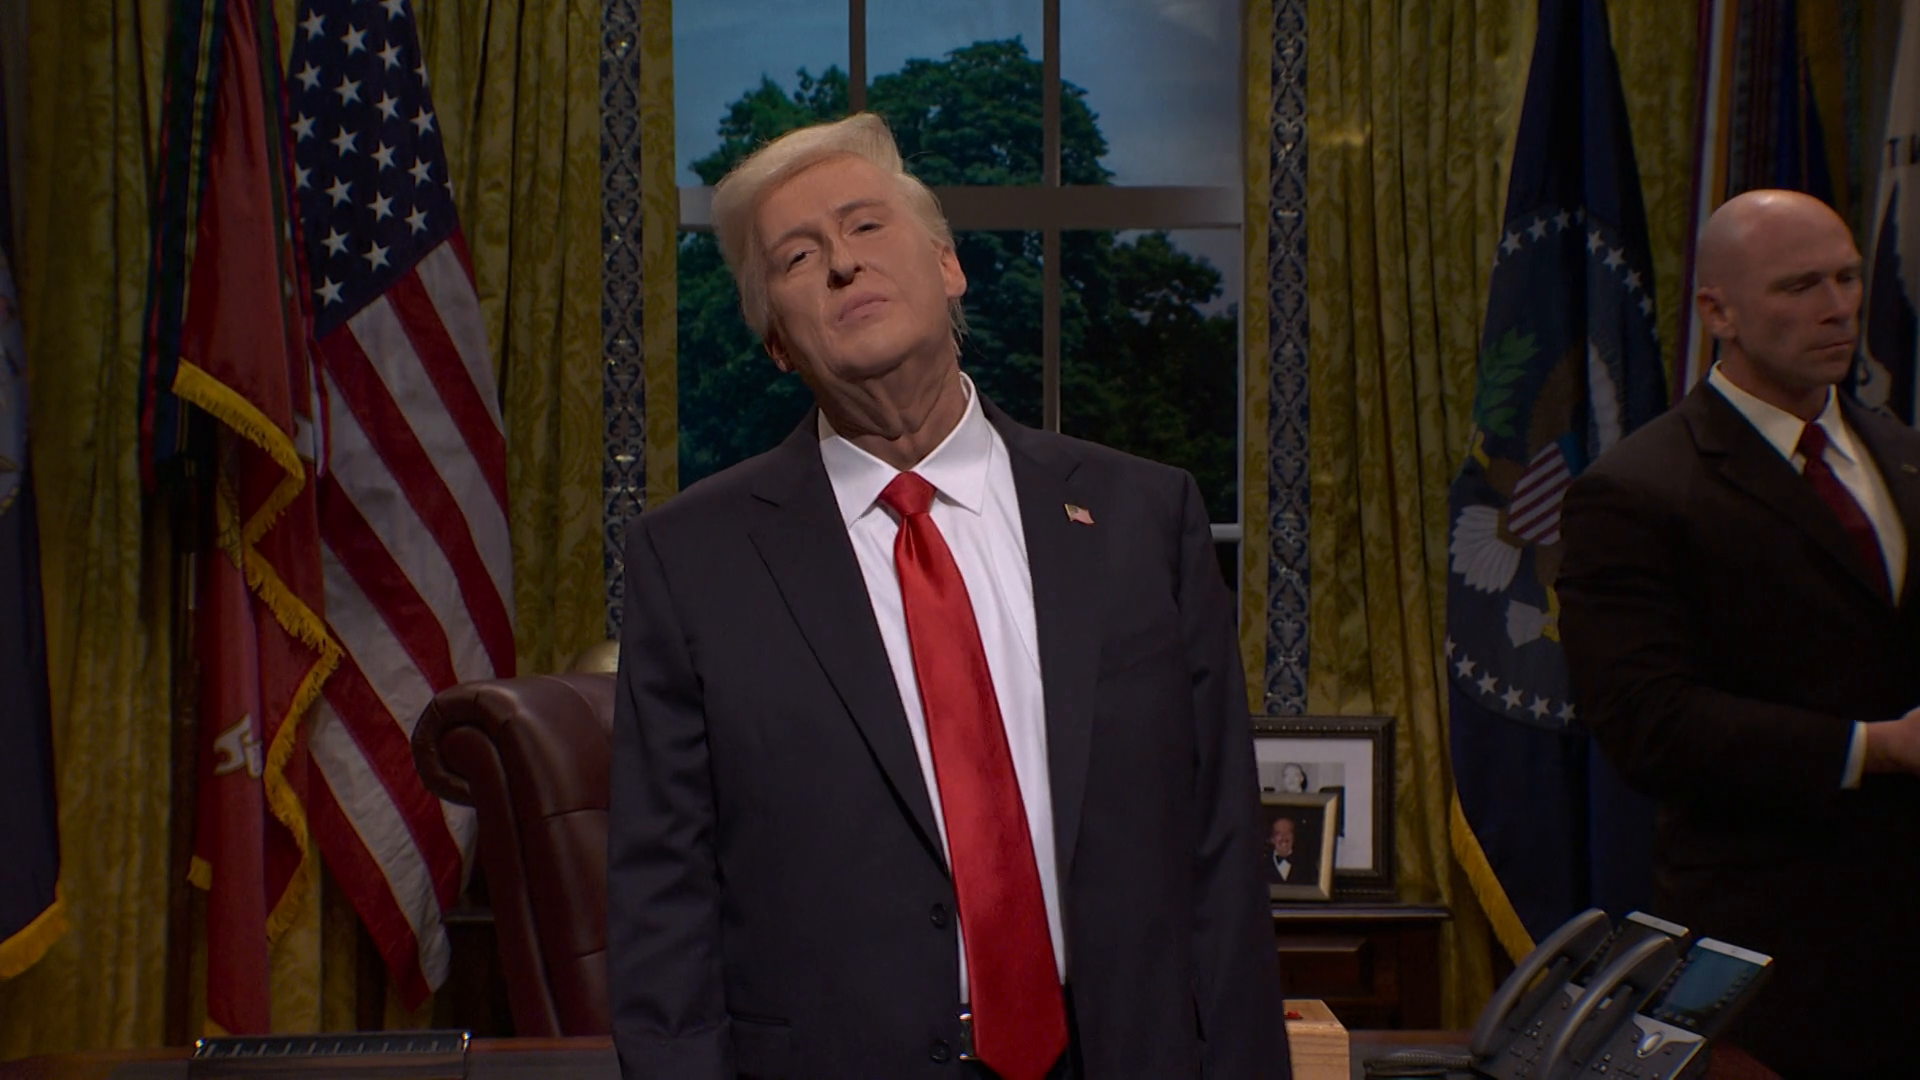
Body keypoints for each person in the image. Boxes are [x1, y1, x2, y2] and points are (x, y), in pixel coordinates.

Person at [607, 113, 1287, 1080]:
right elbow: (662, 907)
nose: (843, 263)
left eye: (865, 225)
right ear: (776, 345)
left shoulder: (1143, 515)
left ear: (948, 265)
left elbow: (1221, 852)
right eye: (798, 256)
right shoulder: (692, 563)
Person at [1558, 188, 1920, 1077]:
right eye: (1800, 286)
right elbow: (1647, 722)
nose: (1838, 308)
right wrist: (1874, 748)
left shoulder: (1906, 456)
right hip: (1775, 967)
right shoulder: (1639, 490)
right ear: (1717, 312)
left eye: (1847, 277)